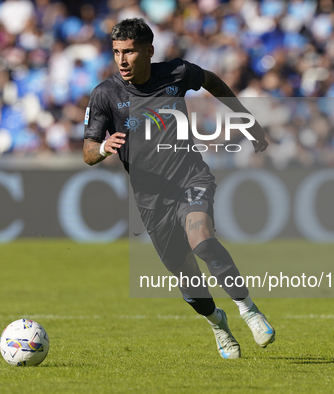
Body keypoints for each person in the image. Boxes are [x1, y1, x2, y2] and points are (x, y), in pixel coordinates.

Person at [83, 18, 274, 359]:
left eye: (129, 52)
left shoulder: (176, 73)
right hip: (151, 199)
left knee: (201, 239)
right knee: (186, 277)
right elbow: (87, 151)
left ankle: (248, 309)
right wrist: (102, 148)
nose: (122, 60)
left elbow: (212, 81)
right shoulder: (105, 94)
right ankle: (218, 323)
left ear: (149, 51)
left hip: (190, 178)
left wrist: (246, 120)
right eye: (116, 53)